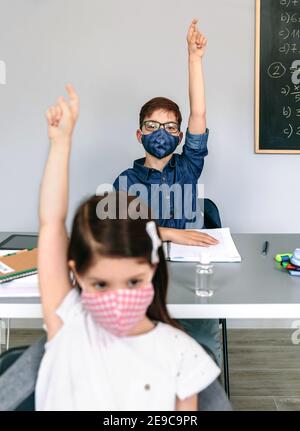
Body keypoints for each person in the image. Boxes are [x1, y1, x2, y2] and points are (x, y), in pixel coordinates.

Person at [35, 84, 220, 411]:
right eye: (101, 284)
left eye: (133, 282)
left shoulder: (182, 352)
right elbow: (51, 225)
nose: (118, 297)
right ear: (76, 274)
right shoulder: (70, 331)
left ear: (152, 269)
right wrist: (60, 144)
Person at [113, 20, 222, 366]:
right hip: (143, 281)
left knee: (201, 344)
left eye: (170, 127)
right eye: (152, 126)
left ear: (179, 137)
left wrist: (194, 59)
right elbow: (121, 233)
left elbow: (199, 113)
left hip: (191, 276)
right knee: (135, 348)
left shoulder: (188, 168)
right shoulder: (125, 181)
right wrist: (171, 233)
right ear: (138, 135)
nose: (161, 132)